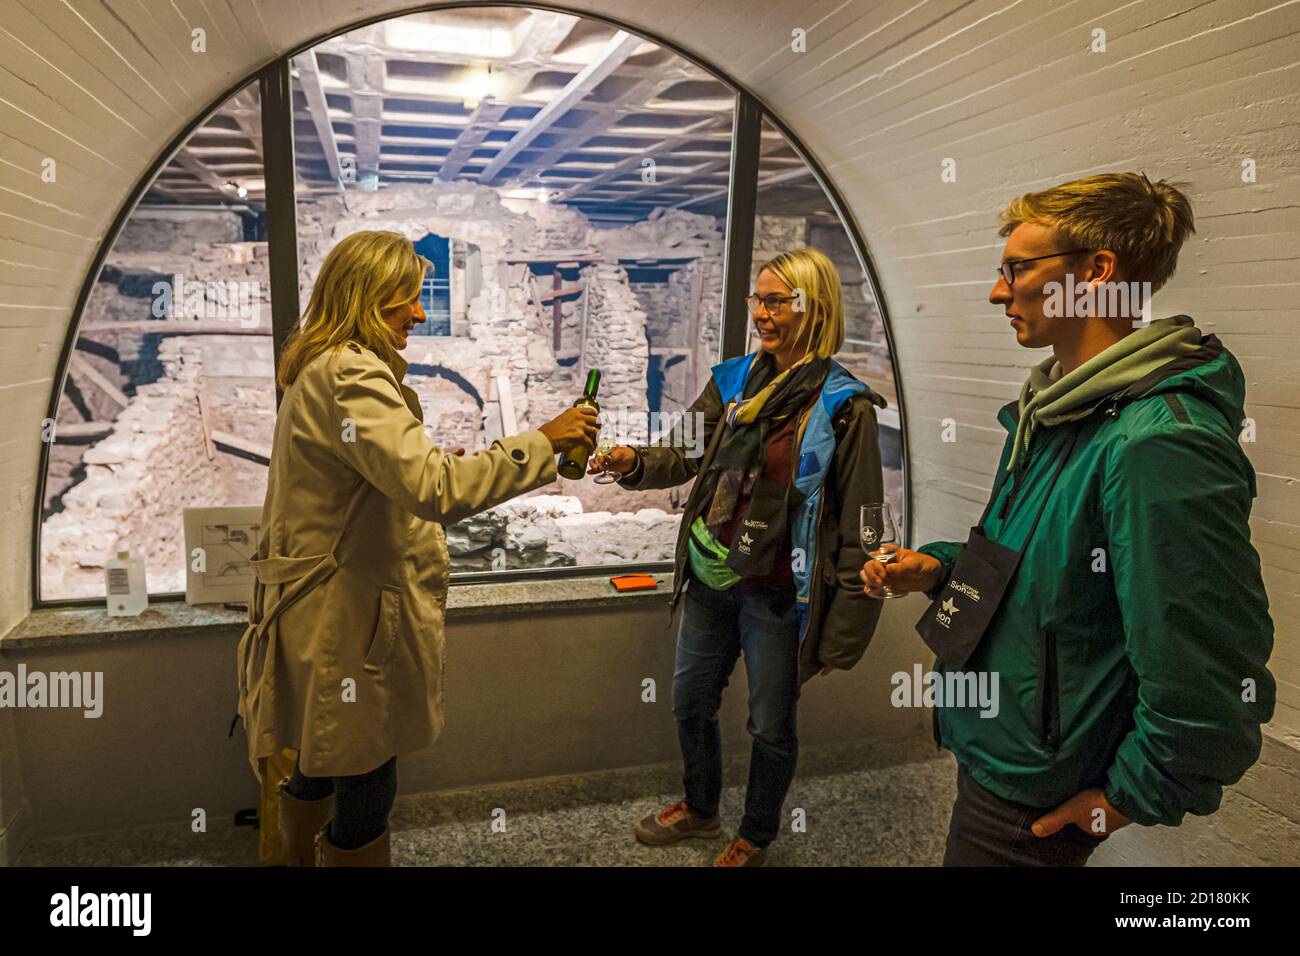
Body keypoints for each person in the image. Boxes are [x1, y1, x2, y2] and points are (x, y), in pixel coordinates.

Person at [861, 173, 1276, 866]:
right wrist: (938, 566)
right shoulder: (1060, 407)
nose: (999, 291)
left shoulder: (1157, 442)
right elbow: (1040, 568)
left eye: (1016, 270)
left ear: (1096, 273)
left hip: (1037, 787)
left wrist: (1132, 796)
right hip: (1002, 737)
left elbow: (1210, 666)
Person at [235, 230, 598, 866]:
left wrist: (423, 470)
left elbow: (377, 477)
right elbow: (435, 489)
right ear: (370, 297)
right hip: (345, 619)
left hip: (321, 613)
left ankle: (290, 857)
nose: (421, 312)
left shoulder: (318, 368)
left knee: (323, 757)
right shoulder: (352, 373)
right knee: (366, 773)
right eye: (407, 297)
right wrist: (543, 441)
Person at [595, 247, 888, 866]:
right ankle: (701, 810)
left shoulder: (844, 407)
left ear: (814, 308)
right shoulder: (732, 381)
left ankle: (755, 833)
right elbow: (683, 456)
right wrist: (633, 463)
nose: (759, 312)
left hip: (779, 593)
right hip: (708, 572)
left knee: (771, 725)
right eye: (757, 299)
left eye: (774, 301)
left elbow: (863, 526)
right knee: (689, 702)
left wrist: (842, 632)